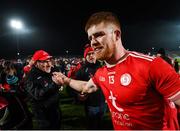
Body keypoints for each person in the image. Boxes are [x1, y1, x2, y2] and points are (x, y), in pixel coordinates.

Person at [52, 11, 180, 130]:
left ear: (116, 34)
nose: (93, 42)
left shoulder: (151, 66)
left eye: (99, 35)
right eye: (90, 38)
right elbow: (87, 87)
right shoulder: (102, 72)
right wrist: (66, 80)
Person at [23, 50, 61, 129]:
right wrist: (54, 85)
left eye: (49, 61)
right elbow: (37, 95)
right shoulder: (30, 77)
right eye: (44, 61)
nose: (48, 64)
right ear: (36, 63)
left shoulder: (50, 72)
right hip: (43, 115)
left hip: (55, 109)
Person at [74, 44, 107, 129]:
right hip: (91, 104)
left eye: (93, 53)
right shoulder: (81, 70)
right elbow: (73, 86)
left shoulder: (103, 67)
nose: (91, 56)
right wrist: (78, 94)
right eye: (89, 54)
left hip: (103, 102)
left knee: (100, 123)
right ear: (85, 57)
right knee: (92, 125)